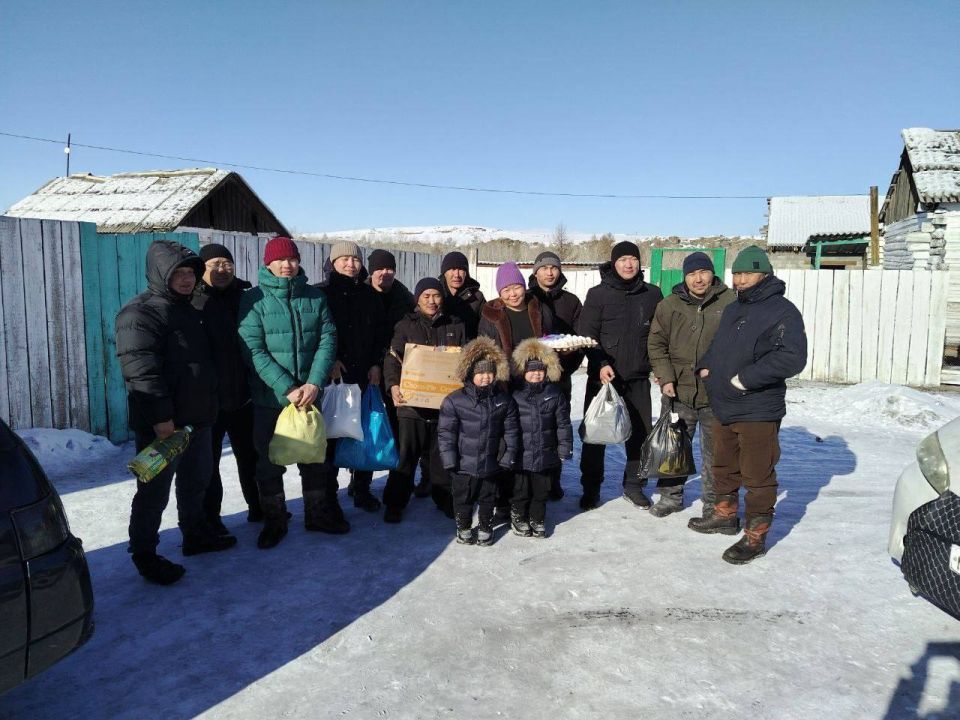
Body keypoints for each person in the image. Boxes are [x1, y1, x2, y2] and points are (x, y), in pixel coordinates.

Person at [116, 240, 235, 585]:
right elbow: (141, 371)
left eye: (190, 273)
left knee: (196, 481)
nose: (185, 279)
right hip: (163, 426)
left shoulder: (190, 309)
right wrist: (161, 417)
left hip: (197, 419)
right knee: (153, 493)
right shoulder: (139, 314)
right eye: (177, 273)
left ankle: (194, 535)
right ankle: (145, 554)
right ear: (159, 274)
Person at [694, 246, 807, 564]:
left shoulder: (782, 311)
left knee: (757, 476)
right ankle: (725, 515)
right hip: (724, 405)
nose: (741, 280)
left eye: (747, 274)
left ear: (765, 275)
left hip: (758, 408)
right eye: (737, 274)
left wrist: (747, 379)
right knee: (724, 466)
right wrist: (706, 366)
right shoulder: (735, 308)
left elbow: (791, 356)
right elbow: (719, 346)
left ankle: (756, 537)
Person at [238, 236, 341, 549]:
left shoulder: (314, 297)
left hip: (310, 396)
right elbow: (253, 349)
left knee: (314, 458)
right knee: (269, 462)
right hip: (270, 399)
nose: (287, 265)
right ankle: (275, 519)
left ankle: (316, 513)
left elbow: (327, 339)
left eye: (292, 259)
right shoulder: (253, 300)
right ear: (268, 263)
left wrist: (313, 383)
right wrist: (287, 387)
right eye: (280, 260)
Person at [646, 251, 735, 519]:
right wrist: (665, 377)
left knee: (716, 453)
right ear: (685, 277)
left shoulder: (730, 302)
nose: (698, 279)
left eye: (703, 272)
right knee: (673, 448)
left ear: (713, 274)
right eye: (692, 274)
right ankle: (670, 497)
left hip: (716, 393)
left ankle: (713, 504)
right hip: (678, 391)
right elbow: (656, 344)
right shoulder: (669, 305)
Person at [576, 241, 663, 511]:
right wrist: (600, 362)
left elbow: (660, 336)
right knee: (596, 434)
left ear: (639, 263)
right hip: (603, 378)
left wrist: (659, 368)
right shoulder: (598, 294)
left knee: (640, 434)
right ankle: (591, 489)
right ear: (614, 263)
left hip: (637, 378)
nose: (628, 264)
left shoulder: (652, 294)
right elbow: (587, 335)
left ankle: (634, 486)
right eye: (623, 259)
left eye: (633, 259)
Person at [381, 278, 466, 522]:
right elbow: (392, 358)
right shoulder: (406, 325)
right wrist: (393, 385)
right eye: (426, 295)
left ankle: (443, 498)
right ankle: (395, 502)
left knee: (441, 457)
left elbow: (465, 360)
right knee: (406, 457)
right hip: (412, 406)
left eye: (436, 295)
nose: (431, 300)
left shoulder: (455, 325)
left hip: (444, 407)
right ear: (418, 298)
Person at [317, 241, 391, 513]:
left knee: (361, 435)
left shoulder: (370, 296)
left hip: (362, 376)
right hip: (332, 380)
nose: (350, 264)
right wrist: (329, 361)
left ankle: (361, 488)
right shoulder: (320, 294)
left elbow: (381, 334)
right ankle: (328, 497)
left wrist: (376, 363)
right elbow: (314, 334)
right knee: (331, 438)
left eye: (355, 259)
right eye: (344, 259)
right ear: (333, 262)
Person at [192, 243, 260, 531]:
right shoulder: (193, 301)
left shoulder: (247, 299)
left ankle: (259, 507)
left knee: (252, 457)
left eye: (227, 264)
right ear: (202, 269)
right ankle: (211, 519)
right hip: (210, 401)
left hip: (244, 397)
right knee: (209, 465)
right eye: (214, 264)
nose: (222, 270)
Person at [438, 337, 520, 546]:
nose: (485, 377)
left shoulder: (503, 400)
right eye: (480, 373)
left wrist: (507, 456)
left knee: (487, 498)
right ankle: (464, 527)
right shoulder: (454, 400)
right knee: (462, 499)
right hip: (463, 465)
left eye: (489, 372)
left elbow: (511, 431)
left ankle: (485, 527)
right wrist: (449, 460)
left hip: (491, 463)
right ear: (469, 374)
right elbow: (446, 433)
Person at [527, 251, 583, 500]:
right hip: (528, 379)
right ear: (535, 271)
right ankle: (527, 481)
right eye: (544, 267)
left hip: (559, 378)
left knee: (556, 430)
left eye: (554, 267)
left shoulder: (571, 301)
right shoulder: (526, 298)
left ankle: (553, 480)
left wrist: (568, 363)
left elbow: (579, 339)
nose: (549, 272)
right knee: (528, 429)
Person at [510, 339, 573, 538]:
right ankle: (519, 516)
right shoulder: (515, 395)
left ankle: (537, 518)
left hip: (546, 453)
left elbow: (563, 424)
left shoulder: (554, 394)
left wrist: (564, 448)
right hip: (521, 454)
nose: (536, 373)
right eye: (531, 370)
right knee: (520, 490)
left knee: (541, 491)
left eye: (540, 369)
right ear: (522, 371)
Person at [478, 261, 549, 360]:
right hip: (504, 374)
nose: (513, 294)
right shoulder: (490, 317)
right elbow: (484, 351)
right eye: (506, 290)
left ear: (524, 288)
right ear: (500, 294)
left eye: (517, 287)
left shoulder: (540, 310)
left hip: (537, 372)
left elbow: (553, 342)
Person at [438, 251, 486, 339]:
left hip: (467, 350)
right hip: (438, 350)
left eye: (461, 270)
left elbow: (485, 329)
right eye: (452, 269)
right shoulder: (435, 295)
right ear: (444, 273)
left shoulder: (477, 298)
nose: (457, 275)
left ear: (466, 273)